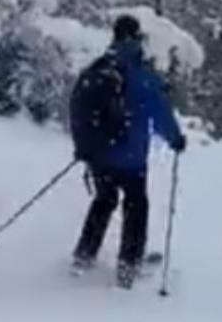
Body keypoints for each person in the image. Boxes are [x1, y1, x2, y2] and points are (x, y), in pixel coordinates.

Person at [68, 14, 186, 288]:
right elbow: (159, 112)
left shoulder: (100, 69)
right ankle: (128, 264)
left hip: (99, 154)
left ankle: (84, 255)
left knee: (104, 199)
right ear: (136, 37)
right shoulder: (141, 75)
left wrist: (85, 146)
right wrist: (175, 138)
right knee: (136, 205)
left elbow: (81, 110)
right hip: (130, 157)